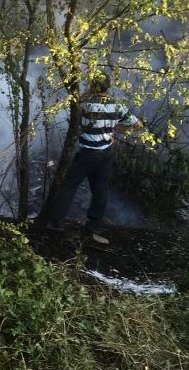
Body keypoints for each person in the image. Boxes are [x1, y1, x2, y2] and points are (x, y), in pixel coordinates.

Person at [48, 71, 143, 244]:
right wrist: (116, 128)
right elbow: (137, 124)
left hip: (87, 153)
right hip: (106, 153)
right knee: (100, 189)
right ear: (108, 86)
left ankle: (56, 223)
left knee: (69, 186)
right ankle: (93, 225)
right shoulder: (116, 105)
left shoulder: (84, 104)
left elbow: (75, 123)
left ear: (93, 85)